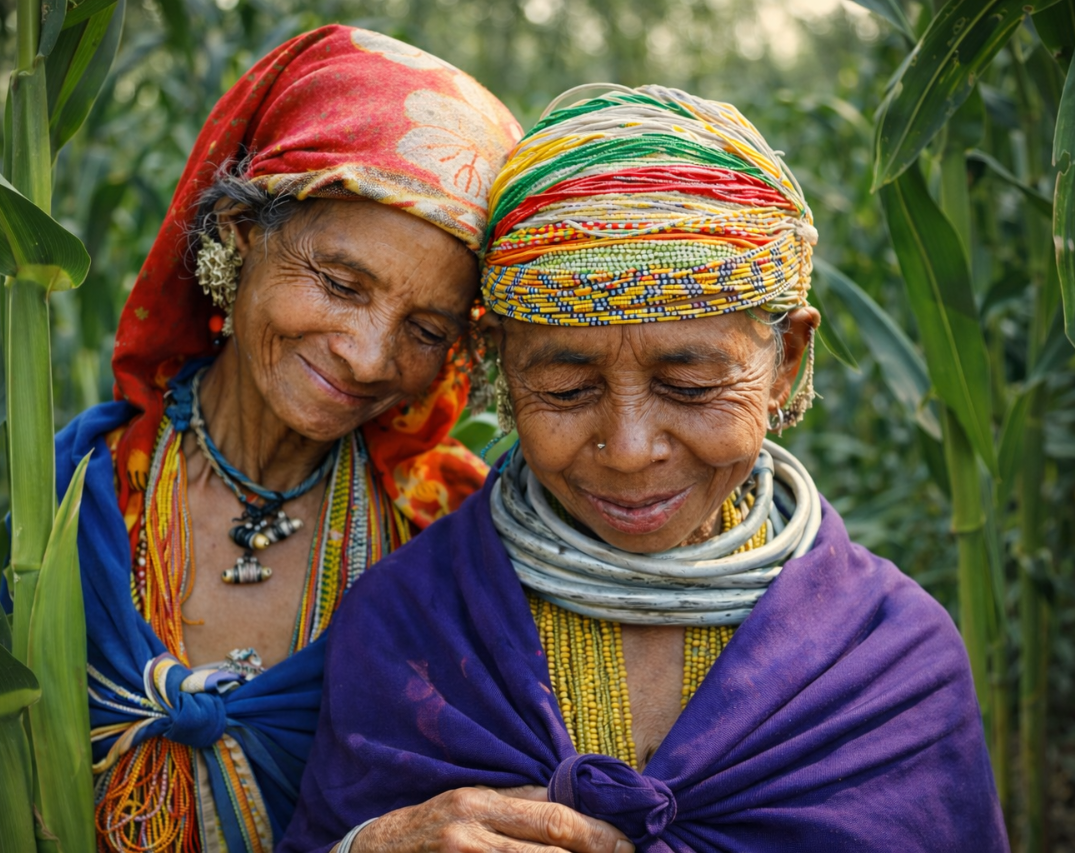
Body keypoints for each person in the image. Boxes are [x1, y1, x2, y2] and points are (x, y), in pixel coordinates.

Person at [279, 85, 1009, 853]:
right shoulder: (410, 621)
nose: (629, 449)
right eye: (566, 389)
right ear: (498, 366)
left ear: (785, 362)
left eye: (690, 387)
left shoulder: (889, 659)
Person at [0, 25, 521, 853]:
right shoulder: (79, 497)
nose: (368, 357)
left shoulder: (447, 536)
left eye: (426, 328)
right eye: (340, 283)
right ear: (238, 230)